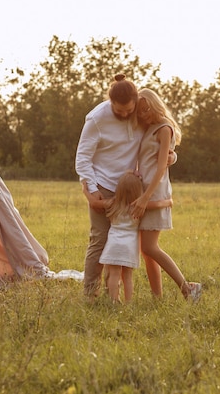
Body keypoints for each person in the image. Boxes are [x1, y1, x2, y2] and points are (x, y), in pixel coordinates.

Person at [75, 74, 144, 298]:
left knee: (126, 239)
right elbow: (83, 157)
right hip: (102, 185)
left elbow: (159, 140)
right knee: (100, 239)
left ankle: (111, 295)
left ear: (135, 102)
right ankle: (90, 294)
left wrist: (170, 155)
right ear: (110, 101)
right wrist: (92, 192)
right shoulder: (96, 118)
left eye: (128, 111)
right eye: (119, 110)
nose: (124, 115)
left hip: (130, 187)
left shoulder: (142, 114)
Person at [131, 88, 202, 302]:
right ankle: (157, 298)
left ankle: (188, 288)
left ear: (155, 105)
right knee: (146, 251)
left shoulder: (164, 128)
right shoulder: (148, 127)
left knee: (150, 247)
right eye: (140, 112)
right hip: (144, 189)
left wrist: (145, 197)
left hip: (155, 190)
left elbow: (162, 166)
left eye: (146, 110)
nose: (143, 115)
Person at [82, 171, 172, 303]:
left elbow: (94, 203)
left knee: (114, 274)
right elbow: (157, 204)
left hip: (113, 245)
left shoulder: (112, 203)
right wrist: (168, 202)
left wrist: (85, 190)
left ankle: (113, 301)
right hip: (129, 246)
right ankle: (128, 303)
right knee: (127, 276)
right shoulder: (137, 207)